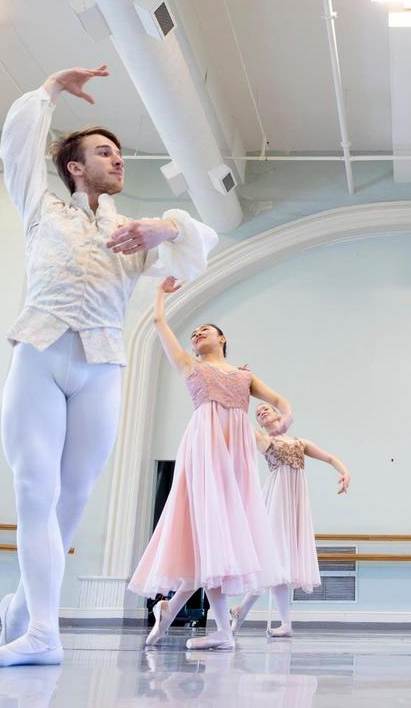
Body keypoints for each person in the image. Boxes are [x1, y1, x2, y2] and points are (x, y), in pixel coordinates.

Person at [0, 66, 217, 668]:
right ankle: (43, 635)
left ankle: (25, 610)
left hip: (102, 366)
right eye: (104, 152)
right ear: (75, 167)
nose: (118, 159)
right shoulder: (40, 208)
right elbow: (18, 147)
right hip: (40, 355)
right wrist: (50, 88)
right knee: (35, 488)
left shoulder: (135, 232)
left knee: (72, 499)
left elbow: (201, 248)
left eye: (120, 152)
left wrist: (170, 224)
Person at [130, 277, 291, 651]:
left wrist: (285, 420)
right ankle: (221, 631)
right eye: (195, 332)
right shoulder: (190, 366)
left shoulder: (244, 376)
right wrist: (159, 294)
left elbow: (282, 402)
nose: (197, 334)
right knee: (211, 529)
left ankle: (169, 611)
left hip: (235, 457)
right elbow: (159, 325)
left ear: (222, 339)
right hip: (204, 449)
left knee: (218, 536)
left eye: (206, 330)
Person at [229, 403, 350, 638]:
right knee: (275, 562)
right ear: (260, 423)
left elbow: (329, 457)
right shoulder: (263, 440)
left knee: (279, 564)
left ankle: (245, 612)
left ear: (278, 414)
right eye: (258, 413)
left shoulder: (300, 442)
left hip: (294, 505)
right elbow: (239, 417)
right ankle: (275, 621)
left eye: (266, 408)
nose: (262, 411)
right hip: (275, 503)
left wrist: (345, 472)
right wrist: (241, 387)